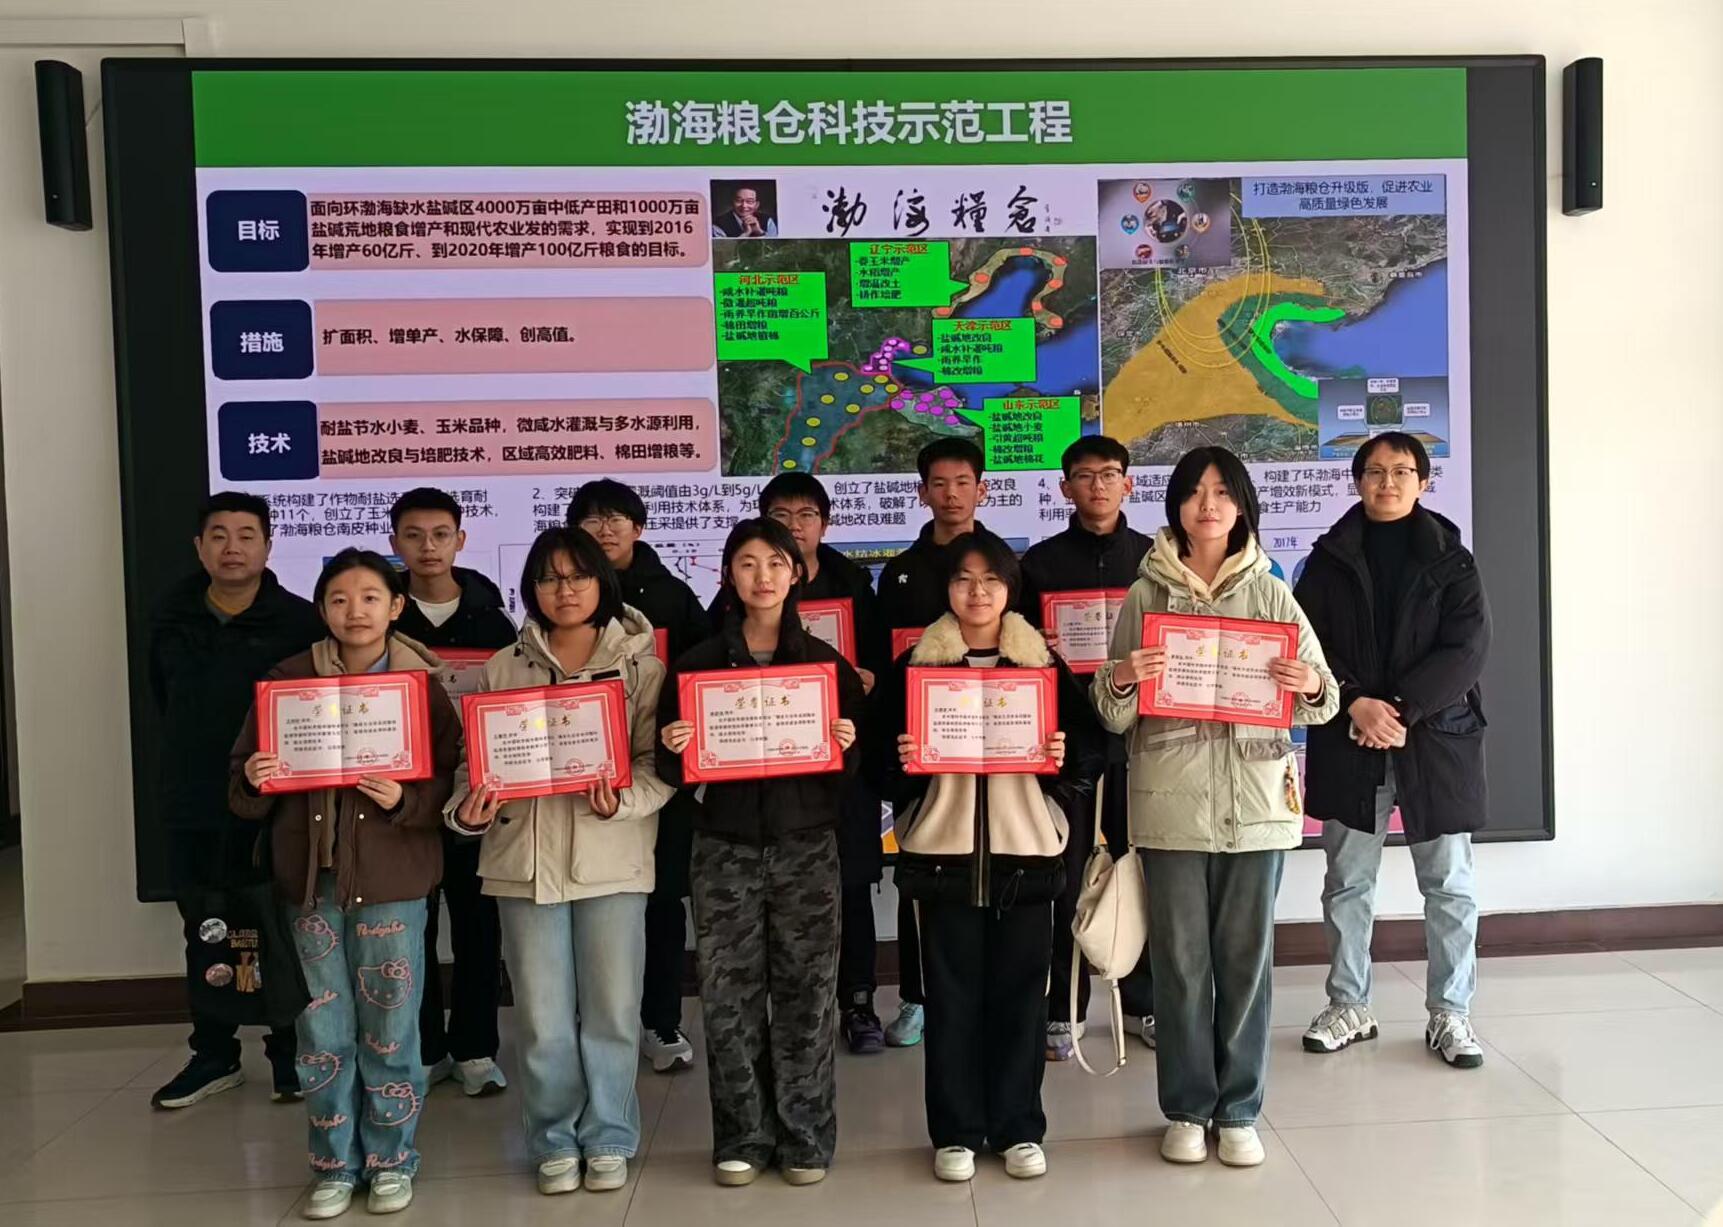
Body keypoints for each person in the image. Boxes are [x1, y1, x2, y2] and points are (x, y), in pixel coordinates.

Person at [1091, 447, 1337, 1169]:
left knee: (1245, 963)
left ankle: (1238, 1110)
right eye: (1195, 491)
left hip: (1256, 804)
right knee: (1180, 965)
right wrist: (1124, 676)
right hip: (1170, 805)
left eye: (1222, 492)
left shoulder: (1271, 591)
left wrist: (1304, 683)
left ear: (1241, 506)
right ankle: (1186, 1107)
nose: (1207, 505)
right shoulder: (1147, 593)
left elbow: (1323, 697)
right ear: (1174, 504)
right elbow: (1110, 711)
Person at [230, 549, 462, 1220]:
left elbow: (452, 776)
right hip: (311, 883)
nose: (354, 611)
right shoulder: (287, 683)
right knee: (322, 1032)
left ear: (396, 606)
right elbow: (241, 779)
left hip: (393, 882)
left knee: (391, 1029)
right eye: (338, 598)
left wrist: (406, 800)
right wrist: (256, 779)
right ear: (321, 608)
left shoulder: (421, 687)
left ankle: (392, 1160)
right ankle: (333, 1164)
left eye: (369, 597)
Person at [449, 526, 675, 1196]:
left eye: (577, 575)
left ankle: (608, 1134)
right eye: (549, 578)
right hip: (522, 862)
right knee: (542, 1016)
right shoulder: (501, 666)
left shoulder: (641, 668)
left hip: (612, 859)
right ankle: (551, 1137)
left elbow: (658, 768)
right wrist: (468, 811)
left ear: (602, 582)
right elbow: (469, 766)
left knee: (612, 1010)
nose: (564, 589)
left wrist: (622, 801)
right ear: (531, 588)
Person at [873, 531, 1103, 1183]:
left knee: (1021, 1000)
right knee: (949, 1002)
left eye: (991, 580)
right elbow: (878, 767)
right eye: (963, 579)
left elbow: (1091, 751)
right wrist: (906, 763)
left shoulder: (1042, 666)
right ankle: (954, 1132)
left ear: (1010, 589)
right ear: (945, 588)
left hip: (1024, 855)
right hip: (941, 859)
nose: (977, 592)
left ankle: (1018, 1127)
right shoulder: (916, 666)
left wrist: (1061, 762)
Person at [657, 518, 866, 1187]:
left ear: (795, 572)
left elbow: (851, 769)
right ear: (728, 575)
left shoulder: (825, 666)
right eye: (747, 563)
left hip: (807, 846)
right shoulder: (695, 665)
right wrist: (674, 745)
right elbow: (670, 770)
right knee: (728, 998)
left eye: (775, 562)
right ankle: (743, 1136)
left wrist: (845, 742)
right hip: (723, 849)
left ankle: (805, 1136)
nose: (762, 576)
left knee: (808, 995)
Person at [1294, 433, 1491, 1069]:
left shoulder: (1452, 559)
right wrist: (1355, 701)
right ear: (1357, 481)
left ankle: (1450, 1012)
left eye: (1402, 471)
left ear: (1424, 482)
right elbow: (1308, 643)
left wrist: (1402, 710)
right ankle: (1349, 1003)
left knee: (1449, 883)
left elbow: (1468, 649)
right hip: (1351, 733)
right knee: (1347, 881)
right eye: (1375, 471)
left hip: (1433, 736)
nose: (1388, 482)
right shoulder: (1327, 560)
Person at [149, 492, 324, 1110]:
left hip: (271, 805)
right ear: (200, 547)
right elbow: (162, 700)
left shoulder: (298, 622)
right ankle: (213, 1053)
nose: (232, 548)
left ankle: (288, 1052)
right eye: (219, 536)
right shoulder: (171, 617)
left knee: (276, 926)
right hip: (193, 799)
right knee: (205, 926)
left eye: (246, 535)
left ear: (268, 546)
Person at [712, 473, 891, 1054]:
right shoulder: (725, 611)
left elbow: (883, 666)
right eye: (781, 516)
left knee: (851, 883)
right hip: (754, 784)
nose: (794, 526)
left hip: (836, 773)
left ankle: (858, 1001)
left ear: (824, 525)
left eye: (806, 515)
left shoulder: (856, 587)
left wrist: (868, 685)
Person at [1018, 436, 1157, 1061]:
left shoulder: (1155, 559)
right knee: (1066, 877)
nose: (1097, 485)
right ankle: (1063, 1011)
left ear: (1128, 483)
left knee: (1141, 872)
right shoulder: (1039, 565)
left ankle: (1146, 1003)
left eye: (1109, 474)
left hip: (1141, 741)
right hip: (1071, 745)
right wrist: (1036, 645)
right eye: (1083, 475)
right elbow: (1018, 653)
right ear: (1064, 487)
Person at [569, 480, 708, 1073]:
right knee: (592, 903)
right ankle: (599, 1023)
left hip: (659, 772)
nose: (605, 530)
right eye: (592, 520)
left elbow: (702, 678)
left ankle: (661, 1019)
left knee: (661, 900)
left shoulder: (673, 596)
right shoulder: (566, 597)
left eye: (616, 519)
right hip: (584, 776)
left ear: (639, 528)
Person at [388, 487, 515, 1098]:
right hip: (403, 795)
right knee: (410, 926)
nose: (428, 547)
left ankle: (475, 1048)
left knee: (477, 923)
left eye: (440, 534)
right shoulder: (383, 614)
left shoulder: (493, 618)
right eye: (413, 535)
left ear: (461, 540)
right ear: (395, 542)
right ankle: (423, 1049)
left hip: (474, 790)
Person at [873, 436, 992, 1048]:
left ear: (982, 489)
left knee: (996, 867)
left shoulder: (1001, 566)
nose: (951, 494)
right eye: (939, 484)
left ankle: (989, 993)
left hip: (995, 745)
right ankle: (917, 998)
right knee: (920, 867)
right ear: (922, 493)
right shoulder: (900, 573)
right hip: (922, 747)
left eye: (962, 482)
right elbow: (884, 664)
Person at [711, 185, 778, 238]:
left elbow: (775, 246)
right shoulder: (718, 224)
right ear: (732, 202)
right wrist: (745, 234)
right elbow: (722, 249)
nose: (744, 205)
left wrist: (760, 232)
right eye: (739, 201)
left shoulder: (768, 221)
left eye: (749, 201)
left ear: (756, 205)